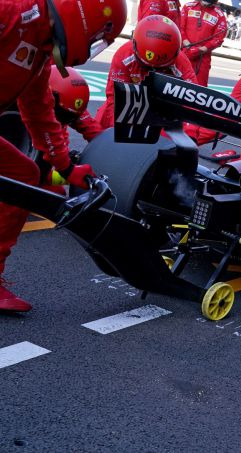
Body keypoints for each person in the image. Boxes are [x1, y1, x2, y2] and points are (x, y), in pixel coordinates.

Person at [0, 0, 127, 313]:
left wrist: (67, 166)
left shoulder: (40, 51)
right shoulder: (11, 12)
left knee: (23, 175)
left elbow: (39, 111)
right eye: (98, 36)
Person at [95, 15, 198, 128]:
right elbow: (115, 98)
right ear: (134, 45)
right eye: (146, 66)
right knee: (103, 118)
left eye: (159, 69)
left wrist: (188, 139)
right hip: (132, 103)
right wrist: (116, 132)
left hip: (165, 111)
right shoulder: (124, 55)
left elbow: (192, 104)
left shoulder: (181, 63)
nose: (152, 71)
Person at [43, 65, 103, 193]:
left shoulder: (69, 106)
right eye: (63, 115)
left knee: (58, 193)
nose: (66, 120)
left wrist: (109, 149)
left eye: (70, 117)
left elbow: (93, 130)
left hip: (46, 166)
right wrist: (69, 172)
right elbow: (38, 174)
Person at [180, 0, 228, 86]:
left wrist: (203, 49)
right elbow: (180, 26)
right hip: (184, 52)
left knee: (199, 87)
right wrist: (186, 43)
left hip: (203, 58)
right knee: (176, 82)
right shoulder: (188, 6)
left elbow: (219, 38)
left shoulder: (219, 15)